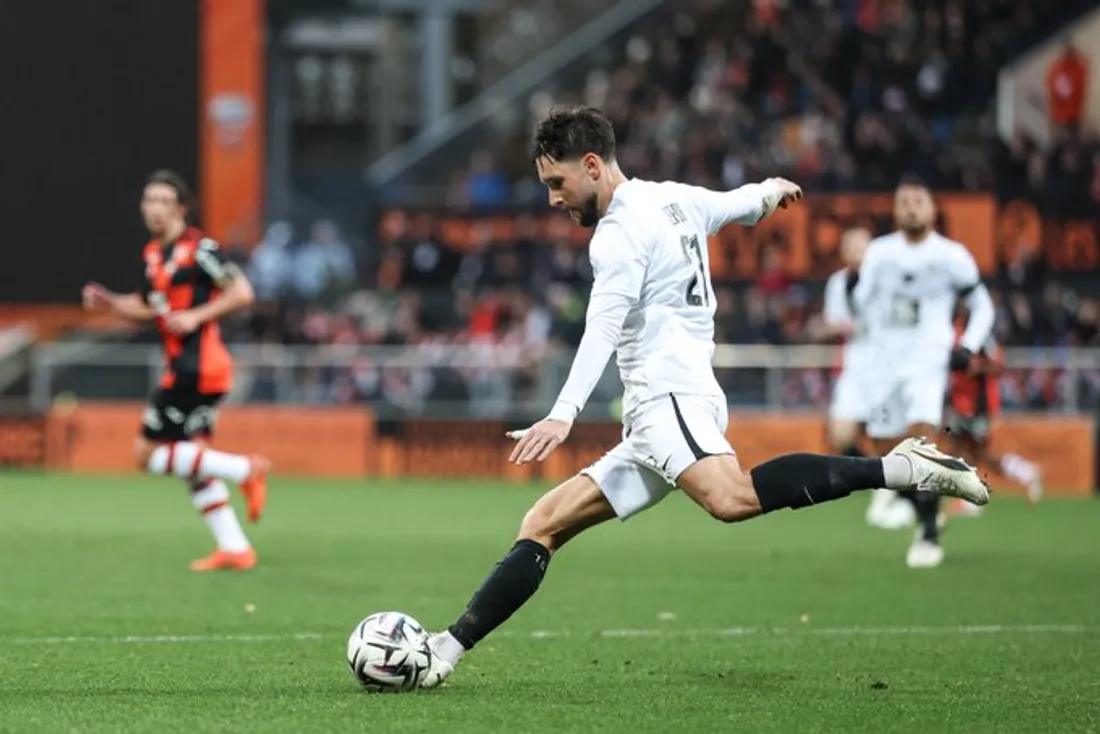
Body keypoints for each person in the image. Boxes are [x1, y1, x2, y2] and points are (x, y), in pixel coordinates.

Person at [416, 107, 988, 688]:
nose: (552, 199)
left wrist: (563, 412)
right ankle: (444, 649)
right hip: (661, 412)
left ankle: (902, 466)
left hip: (670, 399)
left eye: (556, 183)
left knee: (731, 498)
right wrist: (769, 191)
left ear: (591, 166)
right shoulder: (671, 198)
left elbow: (603, 327)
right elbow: (736, 203)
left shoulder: (618, 234)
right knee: (543, 523)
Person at [82, 170, 270, 571]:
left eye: (164, 201)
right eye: (149, 200)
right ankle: (236, 548)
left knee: (145, 454)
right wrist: (109, 302)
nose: (154, 208)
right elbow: (147, 308)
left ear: (181, 208)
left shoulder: (200, 248)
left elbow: (242, 292)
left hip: (198, 367)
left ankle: (245, 469)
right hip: (185, 366)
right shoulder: (154, 255)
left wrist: (196, 315)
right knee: (192, 461)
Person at [852, 175, 996, 568]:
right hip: (885, 365)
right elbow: (861, 304)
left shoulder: (951, 256)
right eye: (904, 202)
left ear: (933, 209)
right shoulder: (879, 253)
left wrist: (967, 346)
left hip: (927, 363)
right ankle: (915, 504)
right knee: (886, 449)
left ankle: (929, 532)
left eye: (918, 200)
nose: (911, 207)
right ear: (895, 211)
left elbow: (983, 306)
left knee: (921, 439)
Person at [822, 226, 913, 530]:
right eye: (851, 247)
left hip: (885, 368)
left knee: (886, 438)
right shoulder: (838, 282)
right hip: (855, 367)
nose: (857, 253)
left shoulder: (887, 279)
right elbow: (832, 321)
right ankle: (881, 481)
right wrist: (847, 326)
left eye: (862, 247)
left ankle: (896, 492)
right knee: (841, 435)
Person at [943, 309, 1042, 516]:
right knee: (969, 451)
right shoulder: (953, 328)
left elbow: (997, 364)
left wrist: (975, 367)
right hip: (960, 402)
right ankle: (1024, 472)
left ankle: (973, 498)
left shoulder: (980, 333)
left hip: (978, 404)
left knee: (972, 450)